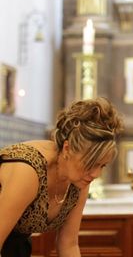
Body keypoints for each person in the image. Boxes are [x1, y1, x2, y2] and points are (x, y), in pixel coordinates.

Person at [0, 97, 124, 256]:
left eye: (102, 165)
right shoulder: (28, 170)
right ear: (67, 148)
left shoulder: (79, 181)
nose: (96, 174)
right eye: (91, 163)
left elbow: (69, 244)